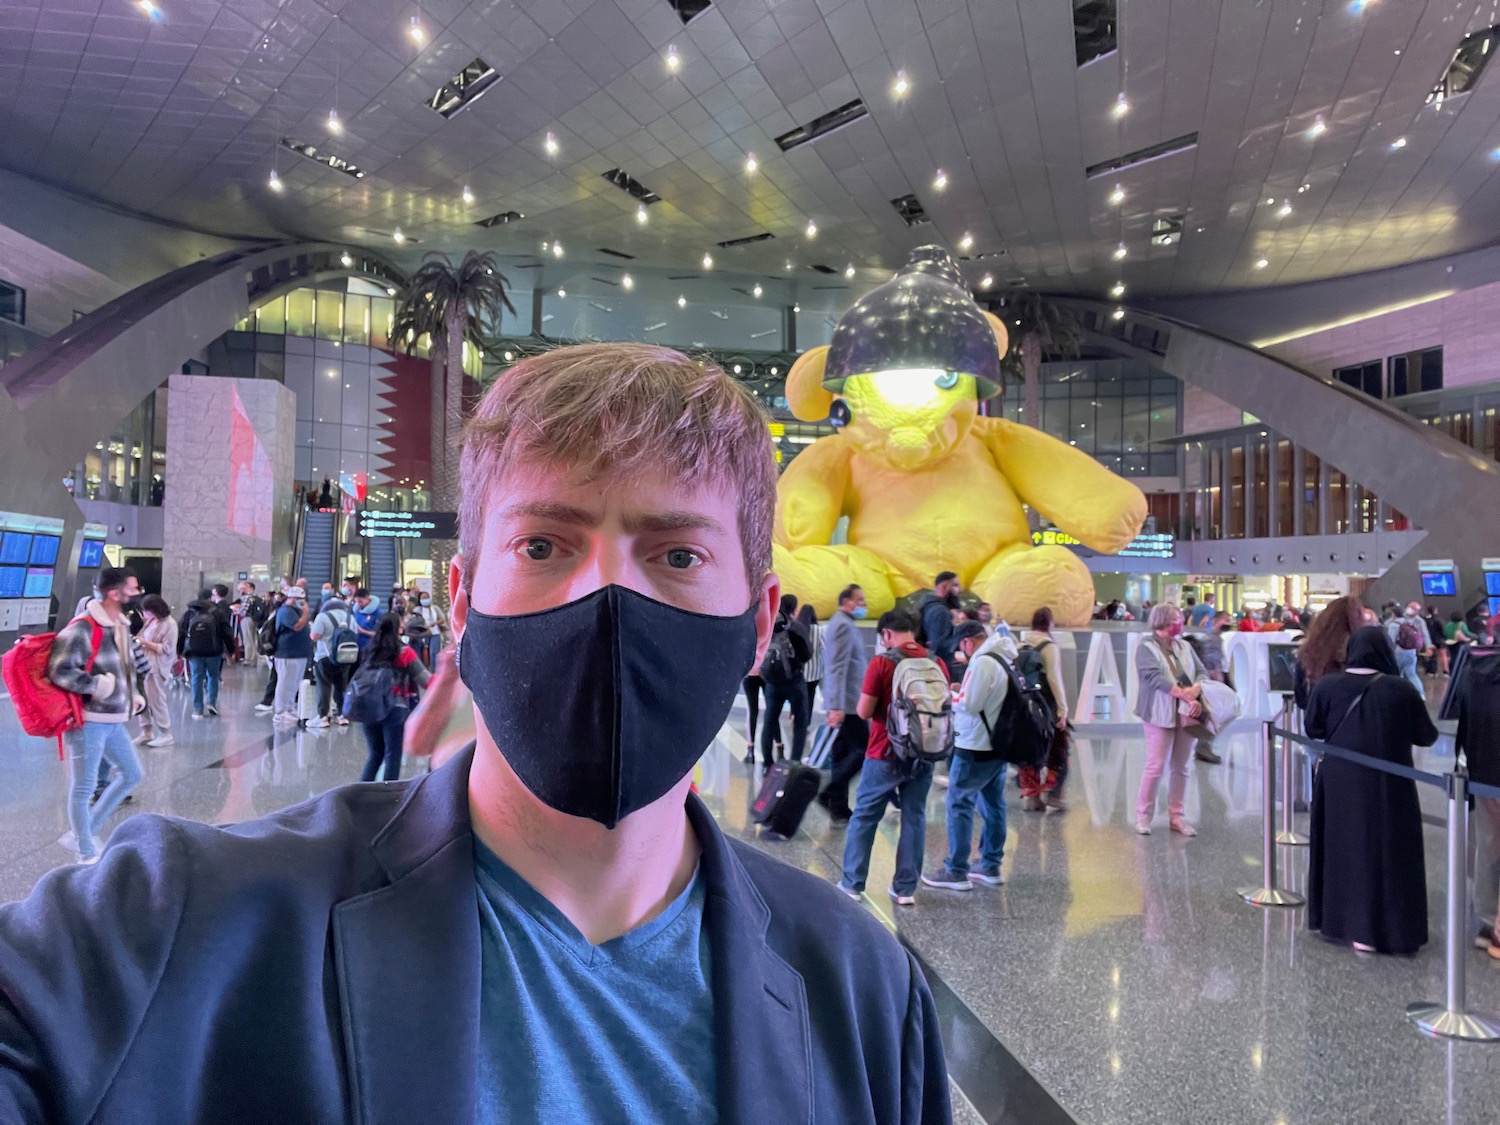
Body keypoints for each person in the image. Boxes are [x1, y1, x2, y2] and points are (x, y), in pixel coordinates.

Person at [0, 342, 950, 1121]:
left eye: (676, 554)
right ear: (460, 600)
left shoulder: (865, 995)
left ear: (756, 622)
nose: (602, 596)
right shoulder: (183, 924)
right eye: (543, 544)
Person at [1305, 627, 1438, 955]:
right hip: (1388, 784)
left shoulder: (1328, 685)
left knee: (1340, 847)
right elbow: (1426, 736)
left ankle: (1339, 921)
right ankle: (1384, 928)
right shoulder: (1401, 690)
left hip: (1337, 781)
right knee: (1388, 849)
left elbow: (1313, 728)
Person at [838, 608, 949, 906]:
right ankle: (905, 890)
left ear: (886, 634)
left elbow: (863, 711)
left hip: (884, 752)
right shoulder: (935, 661)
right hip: (924, 752)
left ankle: (851, 884)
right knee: (915, 817)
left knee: (865, 816)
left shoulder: (882, 663)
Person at [46, 566, 147, 864]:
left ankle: (85, 831)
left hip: (115, 718)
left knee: (132, 774)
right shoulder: (84, 626)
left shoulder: (121, 624)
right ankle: (85, 849)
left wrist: (132, 696)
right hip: (88, 721)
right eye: (132, 587)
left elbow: (126, 668)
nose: (136, 592)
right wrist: (98, 687)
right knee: (84, 786)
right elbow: (60, 670)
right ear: (114, 592)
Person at [922, 621, 1015, 891]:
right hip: (998, 743)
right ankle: (990, 864)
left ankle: (956, 870)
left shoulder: (983, 661)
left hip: (975, 745)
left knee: (959, 803)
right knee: (994, 803)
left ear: (967, 642)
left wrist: (952, 695)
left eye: (961, 647)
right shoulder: (1004, 655)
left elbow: (971, 705)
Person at [1134, 601, 1207, 837]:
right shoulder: (1146, 648)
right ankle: (1143, 816)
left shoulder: (1185, 646)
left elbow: (1202, 671)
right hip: (1158, 713)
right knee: (1156, 766)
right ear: (1163, 620)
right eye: (1177, 618)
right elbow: (1154, 678)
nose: (1181, 621)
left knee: (1182, 767)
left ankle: (1177, 816)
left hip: (1187, 714)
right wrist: (1184, 694)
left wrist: (1196, 689)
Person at [354, 613, 433, 783]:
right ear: (399, 629)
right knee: (392, 754)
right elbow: (426, 681)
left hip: (368, 708)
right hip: (394, 708)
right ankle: (389, 795)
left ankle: (359, 792)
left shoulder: (370, 650)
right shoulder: (404, 652)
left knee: (375, 754)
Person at [816, 584, 870, 824]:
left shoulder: (844, 624)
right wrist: (835, 706)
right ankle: (830, 792)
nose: (863, 605)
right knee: (862, 749)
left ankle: (838, 806)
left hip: (848, 702)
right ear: (846, 601)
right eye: (859, 600)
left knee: (843, 752)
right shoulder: (842, 626)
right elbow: (836, 668)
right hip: (848, 704)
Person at [1016, 607, 1073, 808]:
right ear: (1049, 623)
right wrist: (1062, 710)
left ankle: (1031, 797)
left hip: (1025, 705)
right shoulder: (1049, 646)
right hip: (1046, 704)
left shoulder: (1020, 644)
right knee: (1059, 749)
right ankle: (1053, 793)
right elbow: (1054, 679)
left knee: (1029, 750)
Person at [757, 594, 812, 766]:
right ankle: (794, 763)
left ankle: (767, 763)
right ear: (794, 610)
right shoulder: (796, 628)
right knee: (801, 723)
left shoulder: (769, 625)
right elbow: (806, 655)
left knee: (769, 721)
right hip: (794, 683)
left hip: (771, 683)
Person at [178, 587, 233, 719]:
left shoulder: (189, 612)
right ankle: (211, 703)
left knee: (196, 678)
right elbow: (226, 632)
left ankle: (198, 709)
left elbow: (181, 632)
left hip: (194, 651)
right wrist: (230, 650)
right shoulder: (217, 612)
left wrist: (179, 651)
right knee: (213, 676)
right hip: (214, 650)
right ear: (210, 597)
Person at [134, 594, 178, 748]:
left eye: (146, 611)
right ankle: (146, 731)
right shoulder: (150, 622)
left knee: (156, 700)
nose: (144, 614)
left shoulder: (170, 625)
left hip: (156, 667)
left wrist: (145, 643)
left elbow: (167, 649)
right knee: (142, 699)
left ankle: (165, 733)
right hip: (142, 665)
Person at [308, 587, 354, 728]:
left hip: (325, 656)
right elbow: (354, 633)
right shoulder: (349, 617)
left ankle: (323, 717)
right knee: (342, 686)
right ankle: (342, 715)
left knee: (324, 686)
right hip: (345, 657)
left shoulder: (322, 617)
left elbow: (315, 636)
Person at [271, 586, 312, 724]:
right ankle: (280, 711)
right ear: (290, 599)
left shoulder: (296, 611)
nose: (301, 603)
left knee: (294, 683)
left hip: (299, 653)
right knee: (285, 682)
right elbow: (297, 626)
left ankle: (289, 707)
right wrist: (306, 613)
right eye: (298, 600)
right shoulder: (286, 611)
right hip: (287, 654)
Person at [1383, 601, 1432, 699]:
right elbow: (1424, 634)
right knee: (1412, 674)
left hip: (1399, 652)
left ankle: (1398, 695)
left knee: (1397, 675)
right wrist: (1428, 647)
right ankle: (1421, 695)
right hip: (1411, 651)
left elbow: (1391, 640)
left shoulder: (1395, 624)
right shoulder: (1409, 623)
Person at [920, 571, 961, 669]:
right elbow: (939, 647)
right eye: (955, 585)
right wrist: (960, 633)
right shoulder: (941, 611)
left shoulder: (930, 607)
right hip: (942, 670)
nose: (959, 590)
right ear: (944, 587)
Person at [796, 603, 823, 717]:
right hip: (815, 672)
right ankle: (806, 722)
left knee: (798, 698)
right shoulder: (819, 630)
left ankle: (795, 717)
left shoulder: (797, 628)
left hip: (799, 672)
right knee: (810, 699)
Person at [350, 586, 381, 652]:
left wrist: (363, 631)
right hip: (356, 646)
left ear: (368, 599)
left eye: (361, 602)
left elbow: (380, 634)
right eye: (357, 602)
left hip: (370, 648)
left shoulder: (378, 613)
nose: (359, 604)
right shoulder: (357, 612)